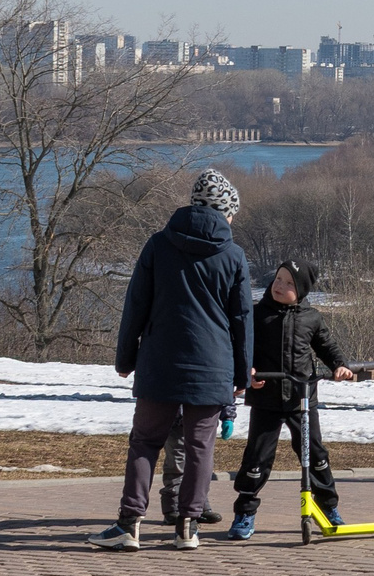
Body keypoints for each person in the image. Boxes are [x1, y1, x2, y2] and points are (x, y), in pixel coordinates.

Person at [90, 170, 253, 552]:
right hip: (212, 366)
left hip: (159, 361)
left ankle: (129, 524)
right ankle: (187, 528)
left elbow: (136, 305)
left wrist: (125, 357)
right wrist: (242, 374)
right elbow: (242, 320)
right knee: (200, 448)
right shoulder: (232, 255)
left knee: (145, 442)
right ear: (225, 210)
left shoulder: (158, 244)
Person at [228, 260, 356, 540]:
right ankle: (245, 512)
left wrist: (339, 365)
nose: (280, 286)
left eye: (288, 284)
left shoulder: (311, 317)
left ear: (301, 291)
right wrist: (247, 371)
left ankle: (328, 507)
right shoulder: (257, 314)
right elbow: (241, 346)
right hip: (266, 397)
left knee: (315, 455)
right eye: (278, 279)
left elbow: (326, 346)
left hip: (302, 400)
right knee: (257, 458)